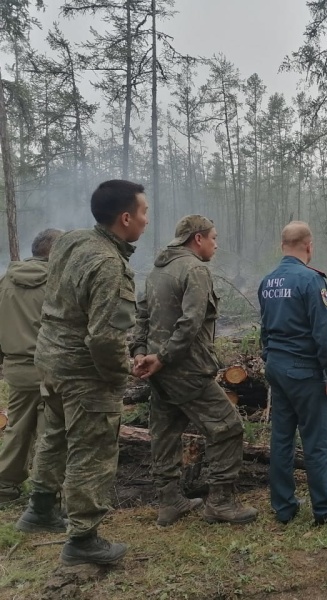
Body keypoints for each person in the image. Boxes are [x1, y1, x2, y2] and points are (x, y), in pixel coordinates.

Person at [15, 180, 148, 567]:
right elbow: (106, 339)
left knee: (54, 435)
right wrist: (120, 375)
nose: (145, 220)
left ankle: (39, 509)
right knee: (92, 450)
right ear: (125, 218)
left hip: (50, 360)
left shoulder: (71, 240)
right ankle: (83, 539)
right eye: (143, 213)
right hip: (83, 372)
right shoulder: (110, 264)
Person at [131, 215, 257, 525]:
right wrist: (162, 357)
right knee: (227, 428)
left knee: (165, 433)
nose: (216, 244)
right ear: (197, 239)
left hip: (160, 372)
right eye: (213, 237)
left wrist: (140, 353)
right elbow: (190, 323)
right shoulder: (195, 269)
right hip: (185, 369)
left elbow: (142, 317)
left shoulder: (157, 271)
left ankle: (170, 501)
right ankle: (221, 503)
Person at [258, 221, 327, 525]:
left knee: (281, 438)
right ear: (309, 246)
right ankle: (326, 509)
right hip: (303, 370)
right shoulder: (311, 280)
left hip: (276, 367)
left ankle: (283, 505)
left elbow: (265, 327)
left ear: (282, 246)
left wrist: (269, 358)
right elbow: (324, 332)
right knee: (316, 441)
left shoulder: (268, 281)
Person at [0, 229, 64, 504]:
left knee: (17, 427)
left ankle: (4, 487)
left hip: (16, 368)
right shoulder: (59, 281)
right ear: (55, 252)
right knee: (53, 430)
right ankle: (47, 494)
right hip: (52, 367)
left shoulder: (7, 280)